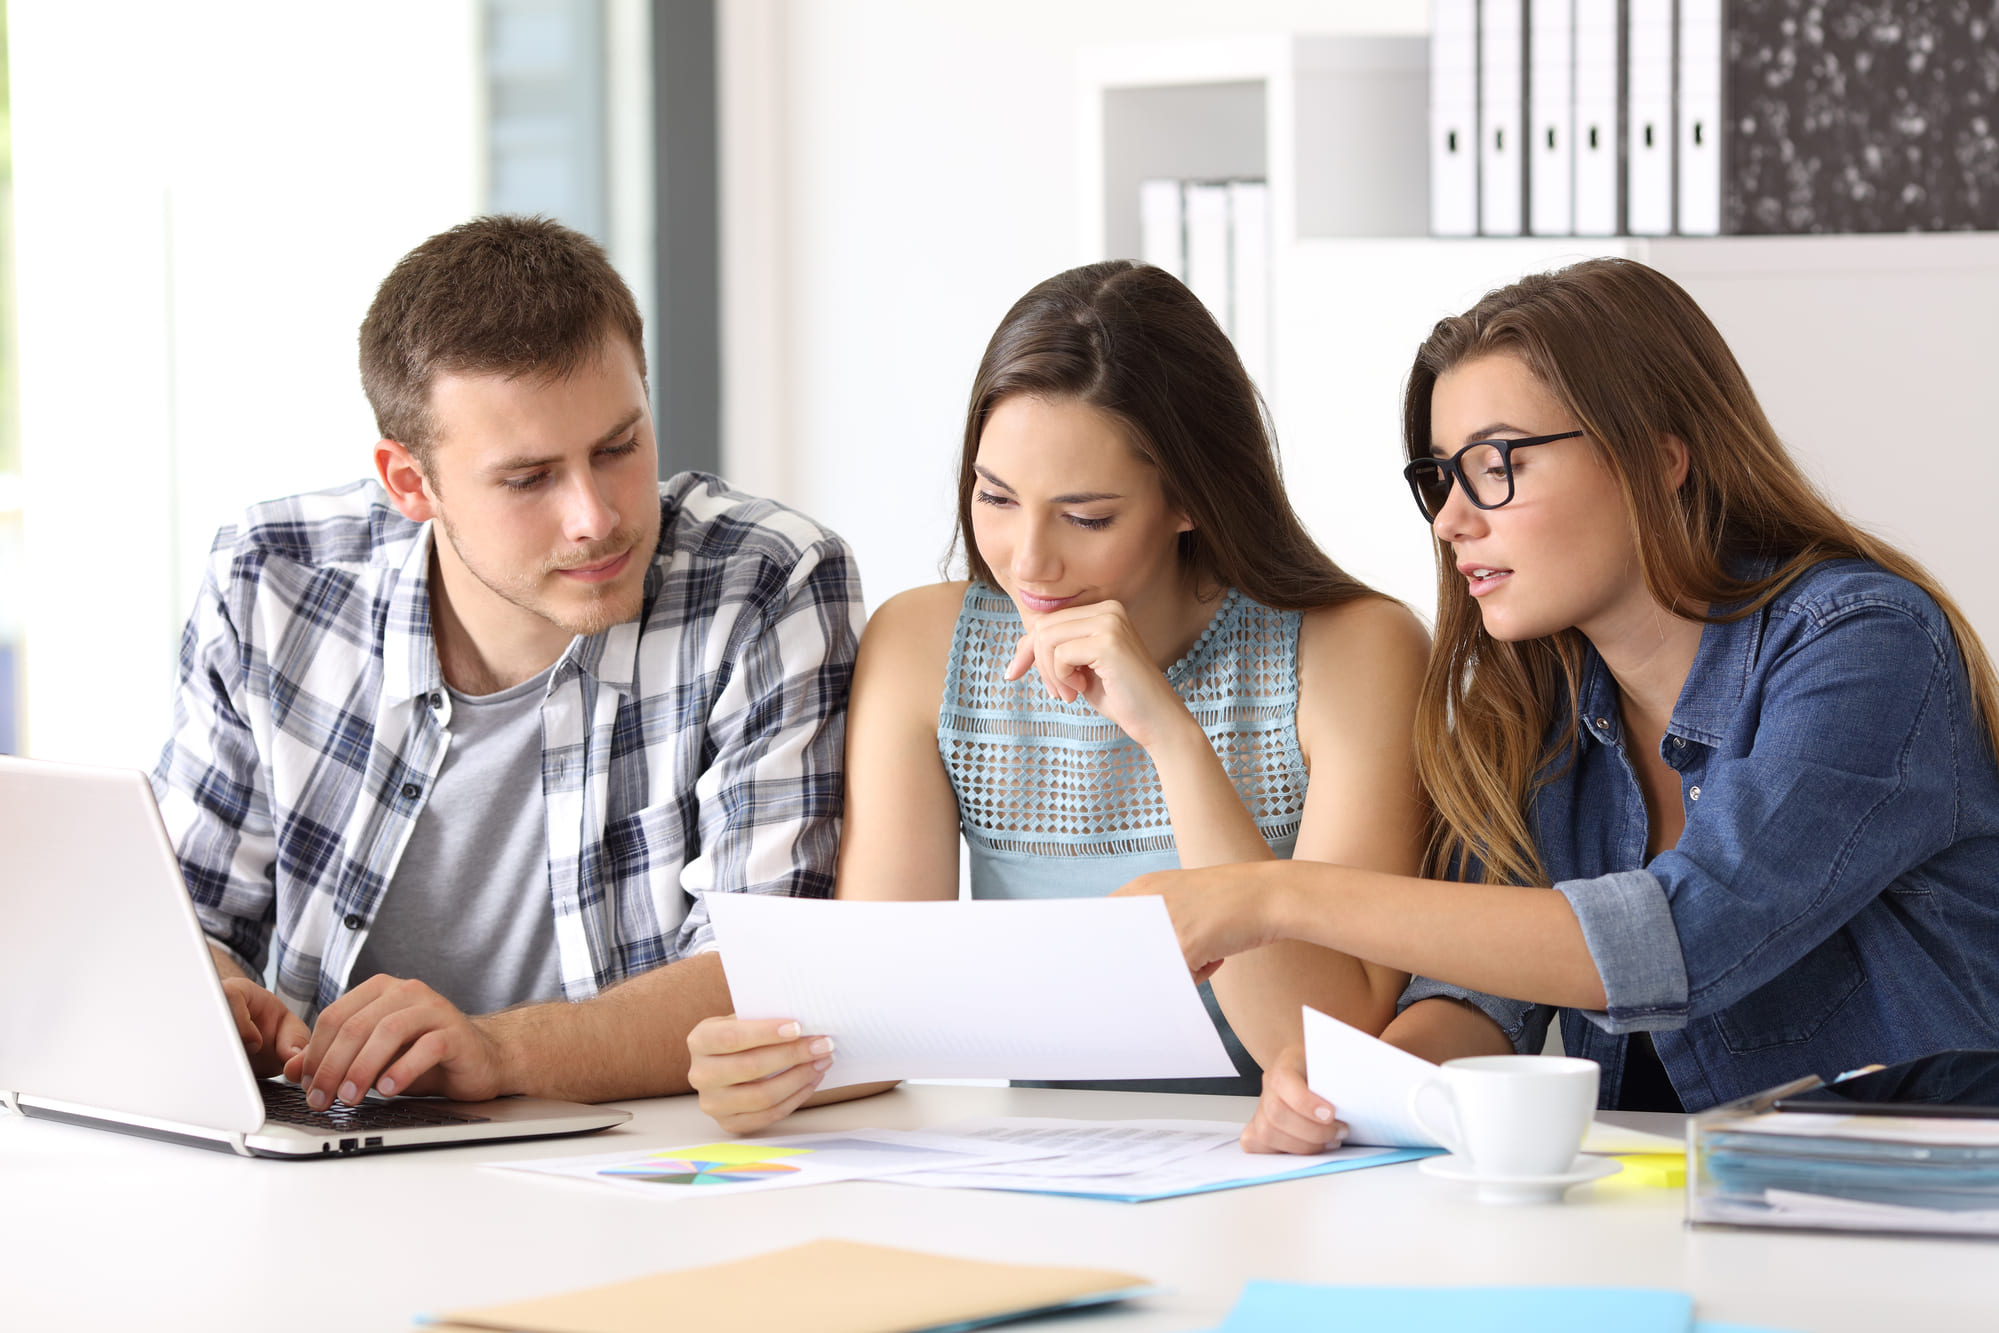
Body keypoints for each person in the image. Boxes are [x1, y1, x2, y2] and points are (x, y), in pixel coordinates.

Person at [1121, 257, 1999, 1152]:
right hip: (1663, 1204)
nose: (1449, 519)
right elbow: (1471, 1002)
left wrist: (1272, 894)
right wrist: (1357, 1090)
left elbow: (1679, 936)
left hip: (1913, 1198)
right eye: (1442, 476)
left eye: (1496, 463)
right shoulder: (1536, 705)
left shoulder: (1865, 643)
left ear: (1656, 458)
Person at [686, 260, 1433, 1133]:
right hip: (1040, 1161)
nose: (1028, 560)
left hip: (1291, 1163)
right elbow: (880, 1020)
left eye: (1086, 517)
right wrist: (767, 1067)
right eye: (995, 497)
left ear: (1189, 498)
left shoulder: (1355, 650)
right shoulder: (922, 646)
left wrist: (1172, 738)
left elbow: (1319, 1050)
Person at [151, 216, 865, 1111]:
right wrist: (215, 996)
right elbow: (185, 913)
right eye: (528, 478)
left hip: (637, 1154)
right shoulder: (271, 579)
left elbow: (770, 967)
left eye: (619, 447)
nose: (595, 517)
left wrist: (497, 1051)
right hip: (325, 1143)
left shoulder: (765, 583)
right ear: (410, 482)